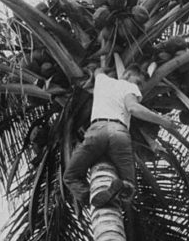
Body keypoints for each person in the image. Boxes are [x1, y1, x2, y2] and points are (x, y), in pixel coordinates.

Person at [64, 64, 180, 208]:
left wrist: (103, 57)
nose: (139, 87)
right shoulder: (130, 87)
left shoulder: (102, 80)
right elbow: (133, 107)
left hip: (96, 132)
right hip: (119, 133)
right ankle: (115, 190)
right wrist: (163, 121)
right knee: (128, 186)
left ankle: (90, 196)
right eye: (138, 82)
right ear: (126, 75)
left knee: (71, 176)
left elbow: (99, 69)